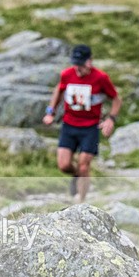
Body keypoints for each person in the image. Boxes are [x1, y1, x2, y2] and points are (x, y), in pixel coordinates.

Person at [43, 44, 122, 203]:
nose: (78, 69)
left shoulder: (101, 78)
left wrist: (111, 119)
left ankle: (81, 203)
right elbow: (59, 90)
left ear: (89, 61)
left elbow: (116, 99)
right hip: (69, 125)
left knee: (84, 165)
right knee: (64, 165)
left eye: (81, 65)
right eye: (75, 64)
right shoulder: (67, 74)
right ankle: (76, 175)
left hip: (90, 128)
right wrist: (50, 111)